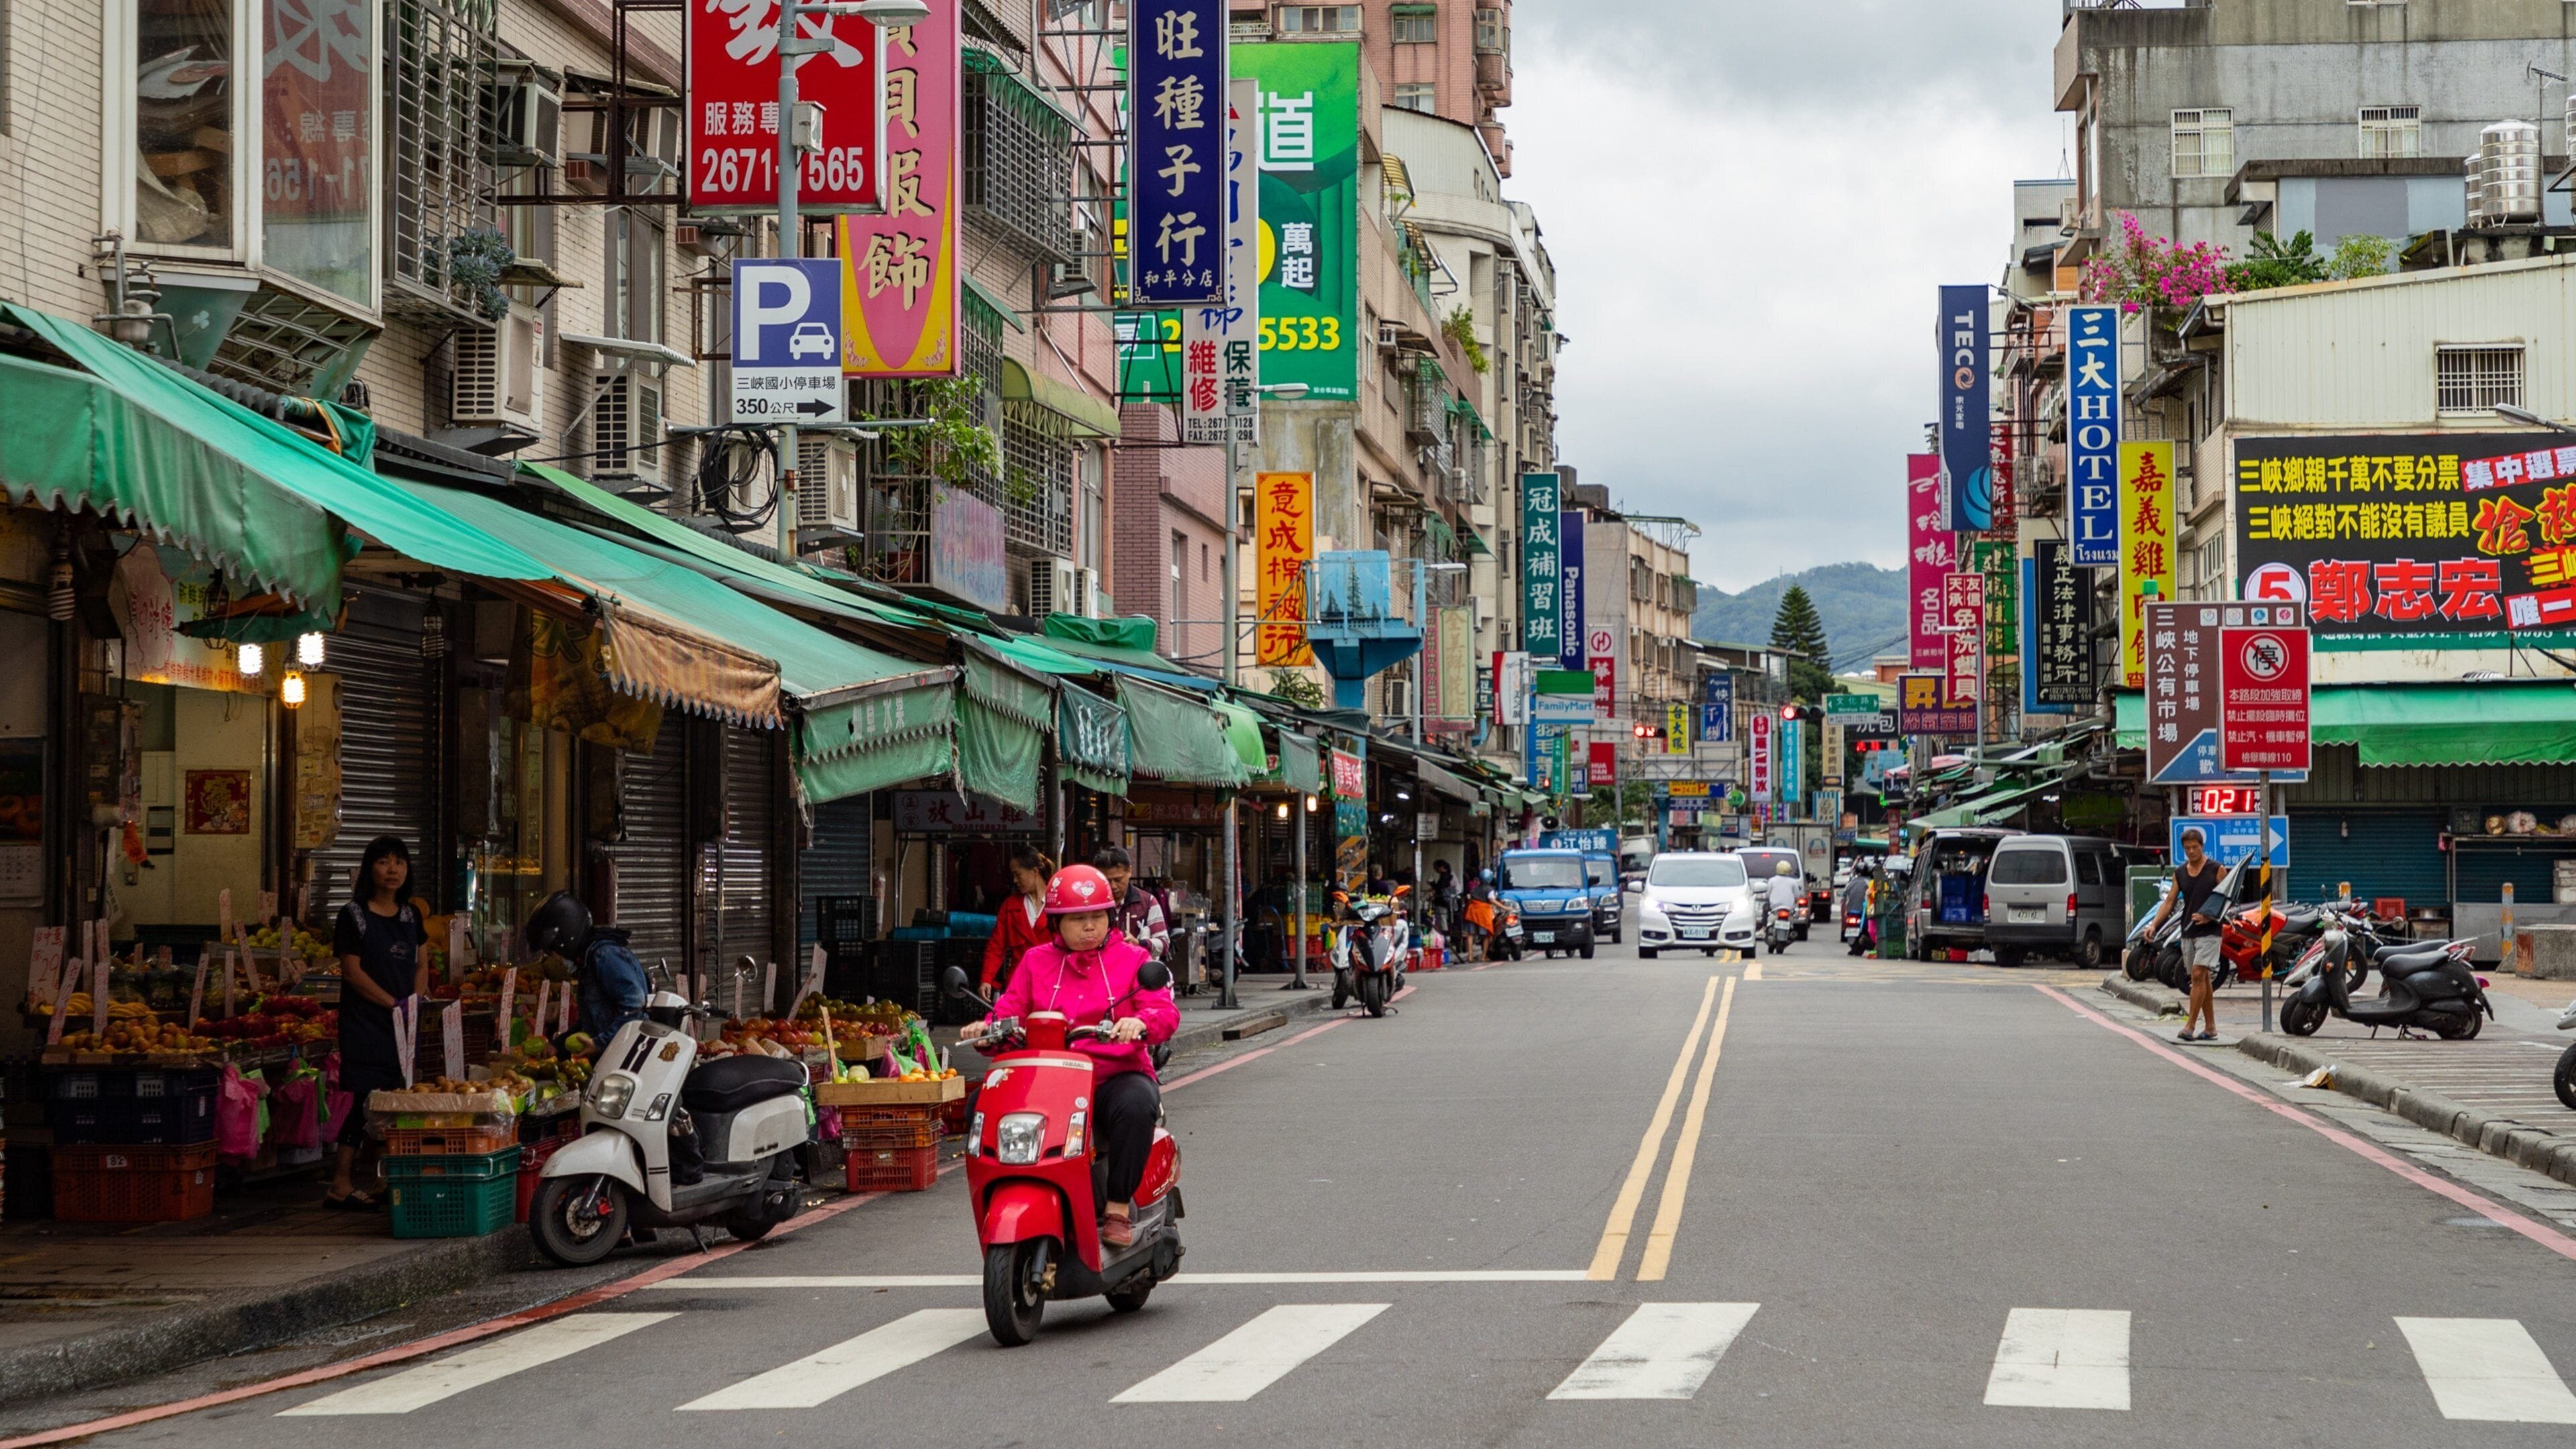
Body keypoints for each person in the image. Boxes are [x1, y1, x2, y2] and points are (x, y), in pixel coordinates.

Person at [959, 865, 1178, 1247]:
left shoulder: (1133, 959)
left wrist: (1140, 1023)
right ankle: (1008, 1190)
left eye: (1097, 917)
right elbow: (1008, 1013)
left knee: (1138, 1104)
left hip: (1112, 1075)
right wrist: (985, 1030)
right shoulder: (1035, 961)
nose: (1089, 927)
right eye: (1078, 919)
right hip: (1046, 1082)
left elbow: (1163, 1011)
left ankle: (1117, 1206)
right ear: (1057, 922)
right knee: (980, 1104)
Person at [327, 836, 429, 1210]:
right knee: (365, 1100)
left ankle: (383, 1181)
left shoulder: (411, 916)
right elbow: (351, 972)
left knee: (395, 1100)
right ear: (370, 868)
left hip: (403, 1023)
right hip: (366, 1022)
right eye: (384, 862)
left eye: (399, 862)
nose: (392, 870)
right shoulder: (353, 915)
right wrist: (391, 1004)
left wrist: (413, 1002)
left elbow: (422, 963)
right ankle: (340, 1183)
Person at [522, 891, 651, 1046]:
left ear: (565, 939)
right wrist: (558, 1047)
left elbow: (635, 1007)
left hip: (628, 1054)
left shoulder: (606, 957)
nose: (553, 958)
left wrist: (599, 1043)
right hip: (611, 1054)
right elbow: (588, 1023)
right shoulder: (587, 962)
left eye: (551, 951)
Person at [2147, 827, 2226, 1042]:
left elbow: (2227, 900)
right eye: (2187, 848)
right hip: (2188, 931)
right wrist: (2154, 925)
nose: (2191, 851)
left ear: (2202, 846)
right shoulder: (2180, 873)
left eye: (2195, 847)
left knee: (2199, 975)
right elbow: (2169, 901)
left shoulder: (2216, 869)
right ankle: (2210, 1027)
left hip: (2210, 931)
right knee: (2200, 978)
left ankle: (2190, 1026)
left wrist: (2209, 917)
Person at [980, 847, 1056, 992]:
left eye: (1018, 874)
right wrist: (986, 979)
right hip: (1019, 984)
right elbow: (996, 946)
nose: (1015, 880)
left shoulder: (1058, 902)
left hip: (1051, 982)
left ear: (1035, 872)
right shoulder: (1010, 906)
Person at [1091, 846, 1169, 963]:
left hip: (1136, 968)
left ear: (1129, 871)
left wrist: (1139, 943)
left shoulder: (1148, 902)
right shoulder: (1090, 904)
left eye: (1118, 880)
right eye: (1107, 881)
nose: (1113, 886)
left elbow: (1164, 944)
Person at [1765, 857, 1802, 927]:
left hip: (1775, 908)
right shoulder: (1793, 882)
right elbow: (1797, 896)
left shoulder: (1772, 880)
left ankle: (1763, 928)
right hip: (1789, 908)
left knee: (1765, 907)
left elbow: (1767, 895)